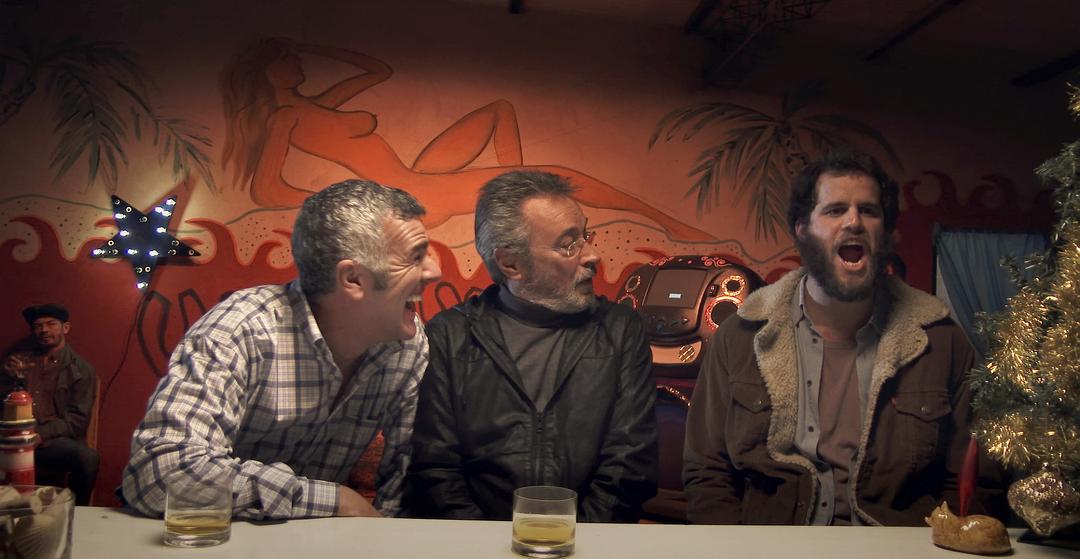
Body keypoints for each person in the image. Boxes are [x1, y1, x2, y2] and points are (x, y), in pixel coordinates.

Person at [683, 151, 1004, 526]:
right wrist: (736, 548)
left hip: (894, 546)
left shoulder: (942, 341)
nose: (854, 222)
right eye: (835, 210)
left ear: (886, 232)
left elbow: (972, 483)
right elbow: (707, 471)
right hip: (770, 544)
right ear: (802, 229)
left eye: (868, 211)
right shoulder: (742, 335)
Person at [120, 179, 442, 520]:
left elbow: (405, 478)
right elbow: (159, 472)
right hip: (213, 537)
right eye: (416, 257)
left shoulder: (406, 347)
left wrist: (385, 537)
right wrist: (333, 499)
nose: (434, 270)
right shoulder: (240, 329)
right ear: (353, 280)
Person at [219, 38, 713, 241]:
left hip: (418, 175)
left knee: (498, 110)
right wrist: (348, 200)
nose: (298, 62)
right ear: (269, 71)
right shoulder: (287, 116)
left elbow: (377, 69)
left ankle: (515, 191)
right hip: (416, 193)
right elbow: (267, 189)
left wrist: (311, 43)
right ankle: (665, 223)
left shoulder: (317, 104)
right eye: (289, 58)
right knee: (563, 178)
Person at [405, 170, 658, 522]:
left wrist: (577, 539)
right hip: (472, 542)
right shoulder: (450, 336)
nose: (592, 255)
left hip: (592, 540)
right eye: (568, 244)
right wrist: (482, 544)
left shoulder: (620, 330)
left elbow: (630, 464)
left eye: (585, 236)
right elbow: (434, 471)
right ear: (511, 264)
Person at [1, 304, 99, 506]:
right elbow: (6, 403)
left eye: (51, 324)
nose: (44, 330)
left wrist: (41, 435)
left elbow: (77, 420)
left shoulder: (80, 369)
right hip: (14, 437)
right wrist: (8, 379)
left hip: (51, 441)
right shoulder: (19, 361)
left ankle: (76, 513)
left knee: (88, 459)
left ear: (65, 328)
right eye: (38, 326)